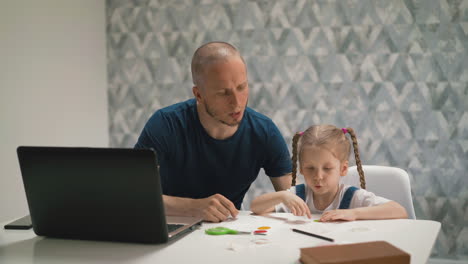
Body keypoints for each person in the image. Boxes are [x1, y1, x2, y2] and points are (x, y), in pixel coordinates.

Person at [134, 41, 292, 222]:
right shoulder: (164, 124)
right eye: (224, 93)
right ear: (199, 95)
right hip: (169, 227)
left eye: (241, 87)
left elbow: (294, 198)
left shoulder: (265, 131)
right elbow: (134, 194)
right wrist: (194, 207)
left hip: (228, 233)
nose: (237, 103)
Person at [250, 125, 408, 221]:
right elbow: (256, 207)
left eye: (327, 169)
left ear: (343, 169)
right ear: (301, 169)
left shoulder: (352, 197)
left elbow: (399, 211)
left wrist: (354, 214)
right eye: (310, 168)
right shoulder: (297, 196)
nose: (318, 176)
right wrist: (282, 195)